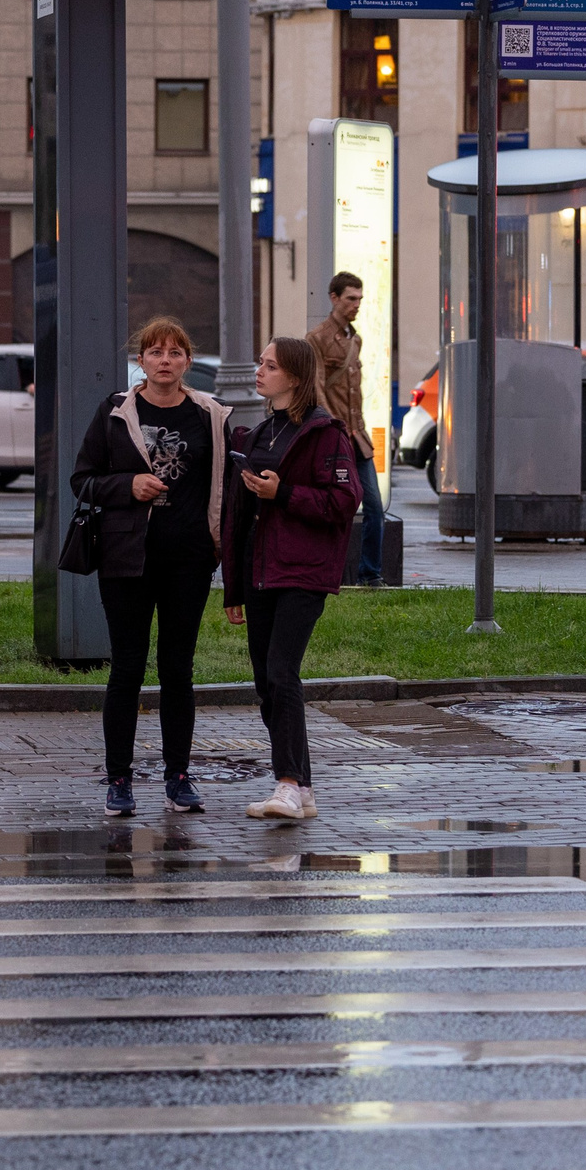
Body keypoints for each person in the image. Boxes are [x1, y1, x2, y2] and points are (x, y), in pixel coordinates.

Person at [71, 315, 231, 818]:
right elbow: (83, 478)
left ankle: (178, 777)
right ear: (141, 361)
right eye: (155, 352)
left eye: (175, 352)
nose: (165, 361)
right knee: (127, 668)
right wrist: (128, 486)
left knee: (178, 670)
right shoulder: (116, 411)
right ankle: (118, 779)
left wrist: (220, 547)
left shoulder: (210, 414)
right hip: (126, 559)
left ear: (188, 361)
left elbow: (222, 485)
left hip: (188, 560)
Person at [221, 336, 360, 822]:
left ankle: (286, 784)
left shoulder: (325, 434)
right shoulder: (261, 433)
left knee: (282, 672)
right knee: (267, 680)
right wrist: (232, 586)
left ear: (296, 377)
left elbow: (344, 502)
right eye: (259, 361)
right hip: (261, 573)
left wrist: (284, 493)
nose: (259, 370)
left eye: (270, 365)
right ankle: (301, 789)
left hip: (302, 571)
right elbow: (240, 516)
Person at [306, 271, 385, 588]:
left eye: (360, 299)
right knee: (333, 508)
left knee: (375, 508)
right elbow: (317, 388)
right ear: (334, 298)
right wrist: (329, 427)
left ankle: (371, 574)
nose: (356, 305)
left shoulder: (356, 339)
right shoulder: (317, 338)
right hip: (335, 437)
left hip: (359, 438)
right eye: (351, 298)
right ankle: (325, 571)